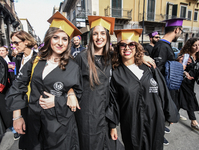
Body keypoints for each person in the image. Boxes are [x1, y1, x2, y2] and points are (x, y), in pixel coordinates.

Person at [70, 16, 155, 150]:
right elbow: (70, 80)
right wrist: (70, 93)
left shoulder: (113, 57)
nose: (99, 37)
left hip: (106, 111)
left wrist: (142, 56)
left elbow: (129, 55)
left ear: (107, 36)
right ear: (91, 36)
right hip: (88, 112)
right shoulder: (82, 57)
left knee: (108, 143)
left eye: (103, 33)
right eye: (95, 33)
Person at [6, 11, 83, 149]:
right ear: (49, 38)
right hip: (34, 123)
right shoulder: (36, 61)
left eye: (65, 39)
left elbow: (78, 95)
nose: (60, 42)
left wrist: (62, 98)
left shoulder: (73, 67)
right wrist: (17, 117)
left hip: (59, 127)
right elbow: (18, 87)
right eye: (55, 37)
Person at [107, 29, 179, 150]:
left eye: (131, 44)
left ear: (137, 47)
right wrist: (113, 125)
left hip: (155, 119)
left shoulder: (149, 67)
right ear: (118, 48)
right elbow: (114, 101)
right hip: (131, 123)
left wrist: (169, 113)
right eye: (123, 45)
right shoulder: (116, 74)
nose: (127, 48)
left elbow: (162, 90)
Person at [150, 18, 185, 145]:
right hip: (161, 88)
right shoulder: (161, 46)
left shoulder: (165, 45)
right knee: (160, 114)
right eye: (181, 30)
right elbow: (157, 70)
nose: (180, 33)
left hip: (165, 87)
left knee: (163, 115)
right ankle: (158, 136)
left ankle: (160, 130)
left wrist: (177, 64)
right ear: (176, 30)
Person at [177, 38, 199, 130]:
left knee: (179, 100)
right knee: (189, 98)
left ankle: (172, 115)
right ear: (190, 46)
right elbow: (181, 69)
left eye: (198, 45)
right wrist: (185, 73)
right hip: (184, 81)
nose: (197, 47)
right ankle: (193, 121)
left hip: (192, 81)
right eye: (195, 45)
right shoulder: (186, 56)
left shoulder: (197, 56)